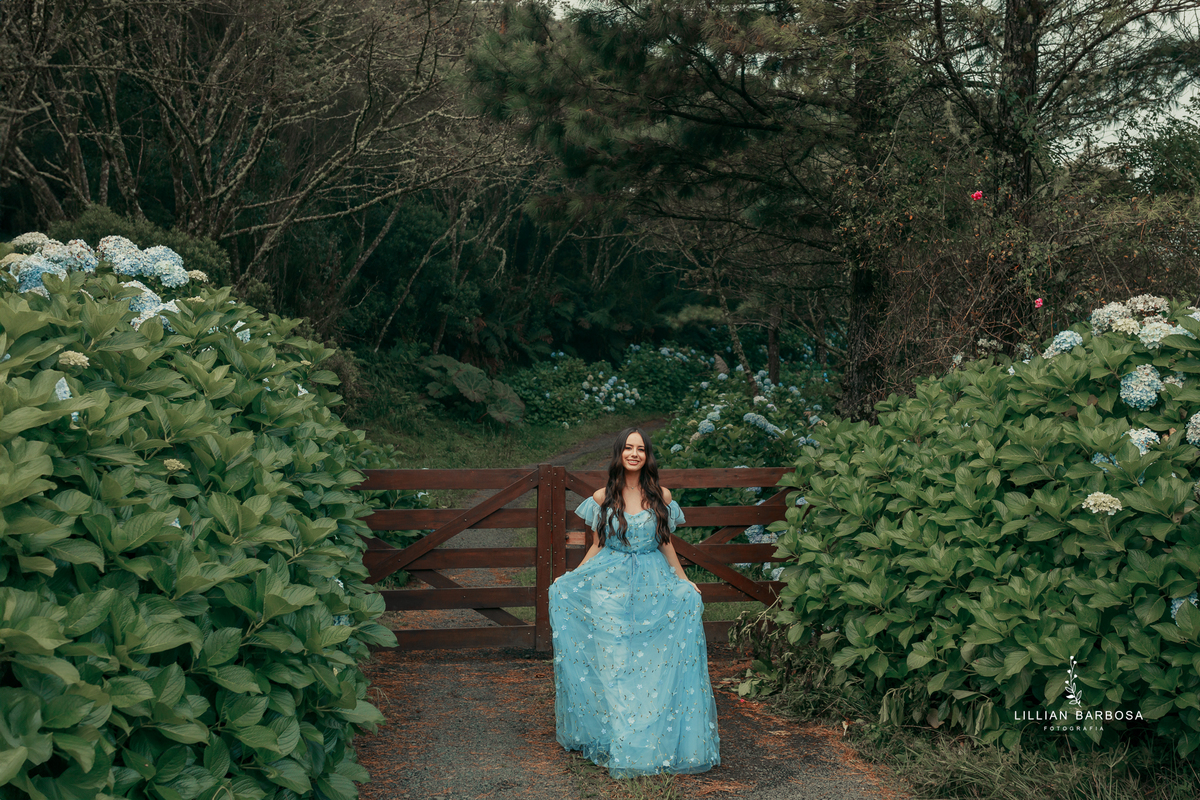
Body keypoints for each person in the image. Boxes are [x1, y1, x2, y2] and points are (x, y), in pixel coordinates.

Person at [548, 427, 720, 777]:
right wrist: (571, 577)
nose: (634, 453)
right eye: (628, 447)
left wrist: (685, 581)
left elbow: (665, 542)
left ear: (647, 456)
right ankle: (620, 739)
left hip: (654, 586)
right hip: (609, 584)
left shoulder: (661, 495)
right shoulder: (602, 496)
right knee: (614, 662)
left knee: (649, 664)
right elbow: (597, 545)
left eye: (640, 449)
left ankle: (648, 739)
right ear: (619, 454)